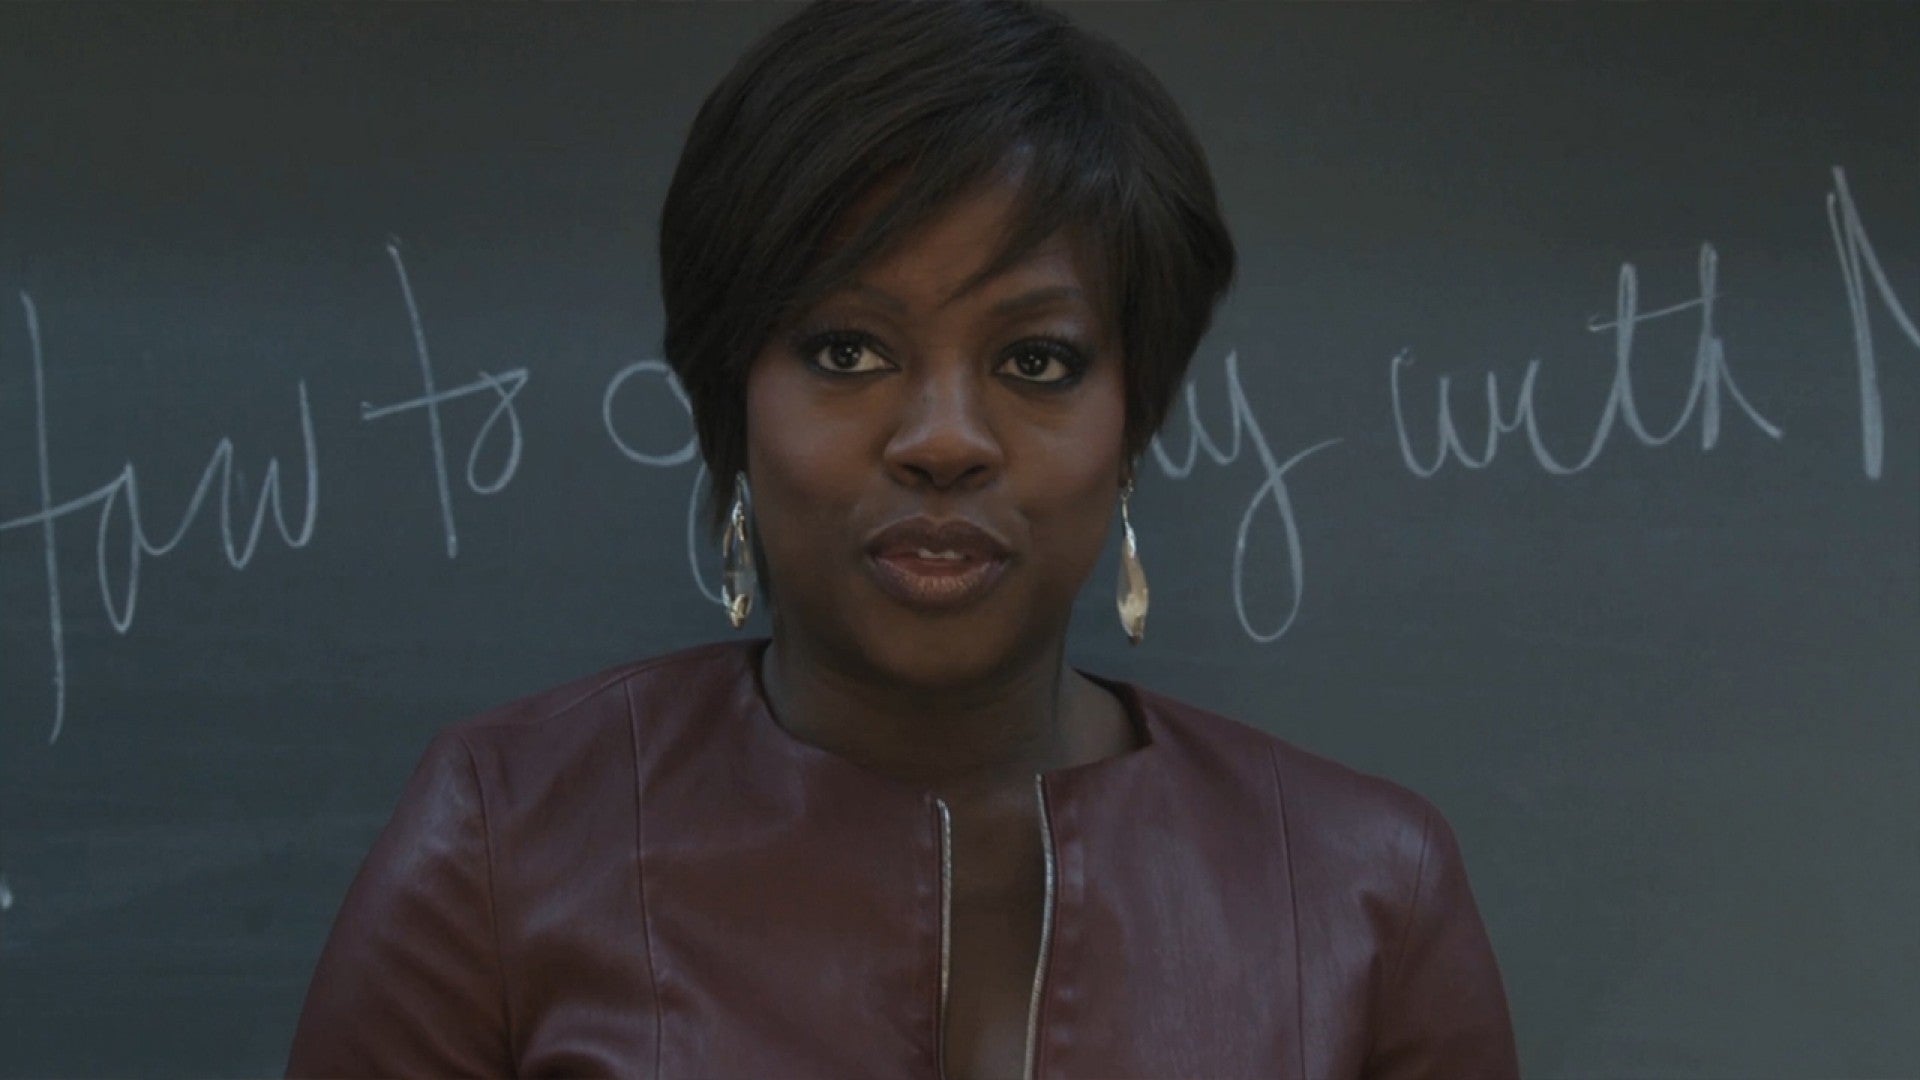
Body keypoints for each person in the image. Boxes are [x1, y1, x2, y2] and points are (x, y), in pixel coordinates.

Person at [288, 3, 1519, 1077]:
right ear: (732, 401)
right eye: (849, 351)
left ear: (1132, 423)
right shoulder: (506, 839)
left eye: (1037, 360)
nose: (944, 440)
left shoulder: (1366, 892)